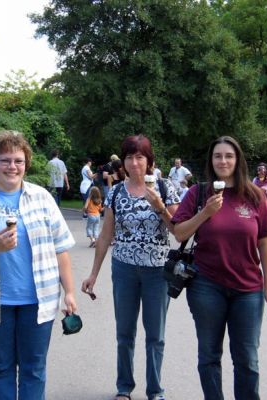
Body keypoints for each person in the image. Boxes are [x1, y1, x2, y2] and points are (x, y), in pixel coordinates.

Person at [0, 130, 77, 400]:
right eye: (5, 160)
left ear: (26, 163)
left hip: (38, 301)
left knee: (34, 369)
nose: (12, 166)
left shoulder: (42, 197)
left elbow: (61, 248)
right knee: (1, 369)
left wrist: (69, 292)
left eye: (18, 161)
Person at [171, 136, 267, 400]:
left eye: (229, 156)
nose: (223, 161)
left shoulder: (254, 196)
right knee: (209, 356)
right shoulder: (198, 193)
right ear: (211, 161)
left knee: (247, 359)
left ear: (238, 160)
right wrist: (205, 213)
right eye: (218, 156)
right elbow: (178, 232)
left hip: (248, 290)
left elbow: (264, 242)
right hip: (206, 286)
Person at [81, 134, 180, 400]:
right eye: (129, 157)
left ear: (150, 161)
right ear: (123, 161)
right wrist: (93, 274)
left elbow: (178, 230)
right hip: (124, 269)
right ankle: (124, 387)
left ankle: (155, 390)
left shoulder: (165, 187)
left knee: (155, 335)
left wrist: (159, 207)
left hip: (157, 271)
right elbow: (105, 236)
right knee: (125, 332)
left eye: (140, 157)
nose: (134, 163)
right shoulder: (115, 192)